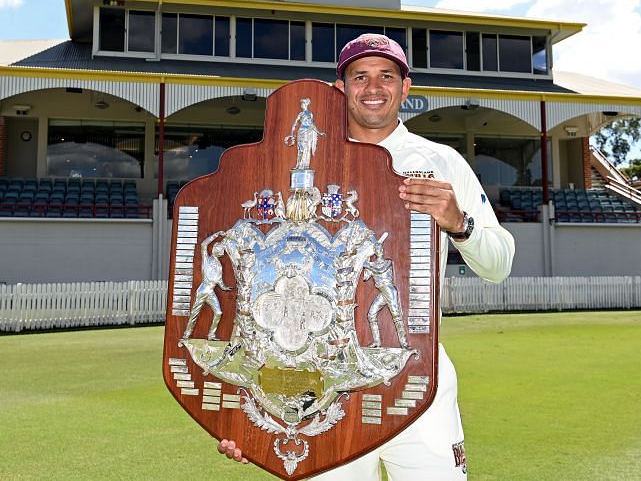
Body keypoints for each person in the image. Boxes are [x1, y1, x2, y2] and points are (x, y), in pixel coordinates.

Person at [218, 33, 516, 478]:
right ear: (340, 89)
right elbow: (243, 280)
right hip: (317, 387)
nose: (373, 87)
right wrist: (238, 413)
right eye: (360, 76)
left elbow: (500, 265)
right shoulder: (291, 168)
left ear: (405, 87)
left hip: (418, 377)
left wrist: (459, 223)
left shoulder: (439, 161)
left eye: (386, 76)